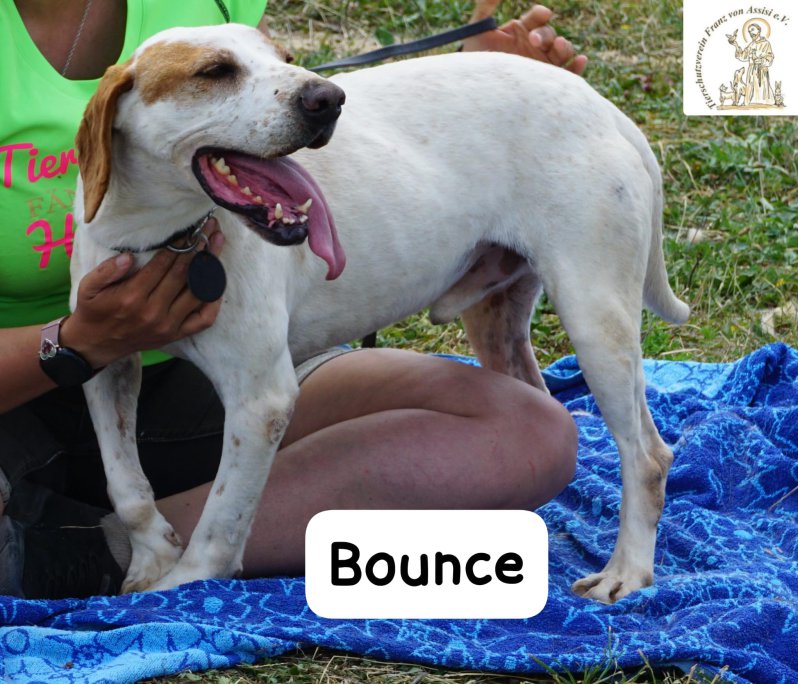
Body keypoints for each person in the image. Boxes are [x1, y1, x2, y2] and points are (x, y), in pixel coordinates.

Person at [0, 0, 582, 599]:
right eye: (216, 74)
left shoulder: (209, 6)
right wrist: (78, 343)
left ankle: (112, 548)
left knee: (529, 434)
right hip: (16, 404)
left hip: (214, 383)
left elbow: (280, 111)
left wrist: (474, 92)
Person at [729, 22, 774, 105]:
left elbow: (770, 58)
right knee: (751, 90)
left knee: (762, 91)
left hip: (761, 71)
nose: (750, 33)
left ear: (759, 30)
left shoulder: (766, 43)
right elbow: (743, 56)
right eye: (749, 31)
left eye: (752, 30)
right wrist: (736, 45)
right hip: (751, 72)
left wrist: (761, 61)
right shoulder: (751, 45)